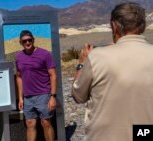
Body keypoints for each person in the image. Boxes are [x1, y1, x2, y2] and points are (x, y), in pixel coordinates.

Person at [72, 2, 153, 141]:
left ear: (114, 26)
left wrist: (82, 64)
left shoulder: (97, 56)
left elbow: (78, 96)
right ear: (143, 26)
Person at [15, 30, 57, 141]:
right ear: (21, 42)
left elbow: (53, 75)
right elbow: (19, 77)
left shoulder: (45, 54)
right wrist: (20, 97)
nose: (27, 42)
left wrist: (53, 97)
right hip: (28, 97)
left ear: (33, 40)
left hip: (43, 94)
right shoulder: (18, 57)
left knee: (46, 123)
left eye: (29, 40)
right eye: (24, 41)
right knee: (29, 123)